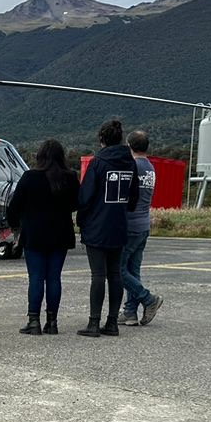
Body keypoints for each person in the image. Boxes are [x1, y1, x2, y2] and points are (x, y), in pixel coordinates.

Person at [7, 139, 78, 335]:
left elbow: (13, 207)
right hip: (61, 234)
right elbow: (75, 204)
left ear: (40, 156)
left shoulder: (30, 177)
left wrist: (16, 225)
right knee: (54, 278)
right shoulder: (70, 177)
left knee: (36, 278)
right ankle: (52, 321)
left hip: (35, 234)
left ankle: (33, 320)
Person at [76, 119, 138, 338]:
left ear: (101, 138)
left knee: (98, 275)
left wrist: (81, 221)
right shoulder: (130, 163)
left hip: (97, 225)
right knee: (115, 274)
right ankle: (112, 322)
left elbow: (85, 197)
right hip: (119, 225)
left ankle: (94, 322)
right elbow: (133, 199)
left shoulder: (98, 163)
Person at [120, 130, 164, 326]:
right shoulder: (150, 167)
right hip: (144, 223)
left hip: (130, 224)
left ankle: (148, 299)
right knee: (133, 270)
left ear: (129, 146)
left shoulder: (133, 166)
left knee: (117, 269)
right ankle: (130, 312)